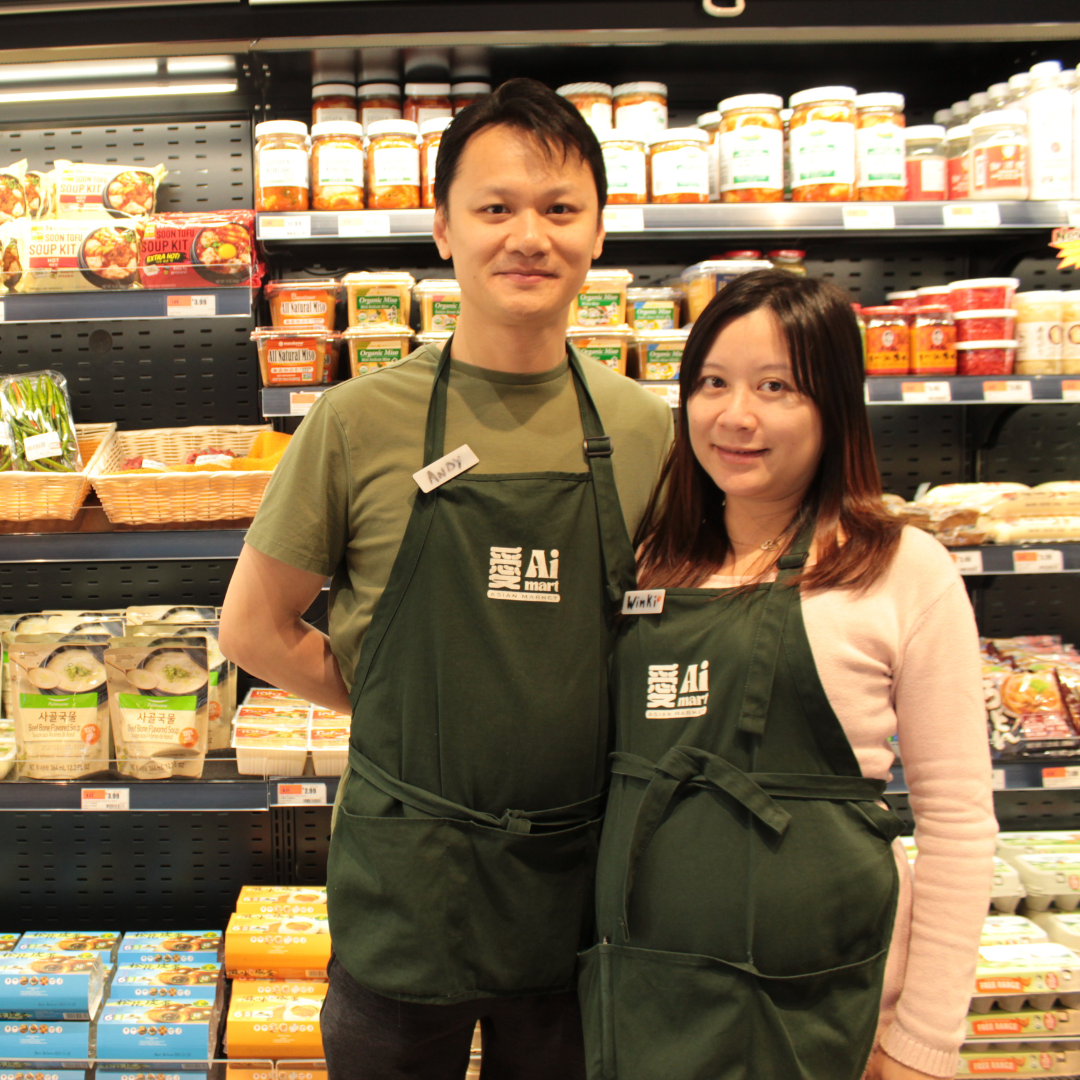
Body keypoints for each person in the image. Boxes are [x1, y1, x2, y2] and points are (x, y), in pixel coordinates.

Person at [219, 77, 672, 1080]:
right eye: (495, 207)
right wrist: (392, 703)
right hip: (408, 878)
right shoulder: (357, 420)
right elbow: (251, 629)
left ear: (599, 232)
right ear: (444, 229)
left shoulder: (646, 429)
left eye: (560, 209)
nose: (529, 237)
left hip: (581, 884)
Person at [576, 269, 996, 1080]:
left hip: (825, 1006)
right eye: (713, 383)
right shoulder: (649, 561)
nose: (736, 416)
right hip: (641, 994)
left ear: (833, 404)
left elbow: (958, 822)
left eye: (776, 387)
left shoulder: (903, 568)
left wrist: (924, 1041)